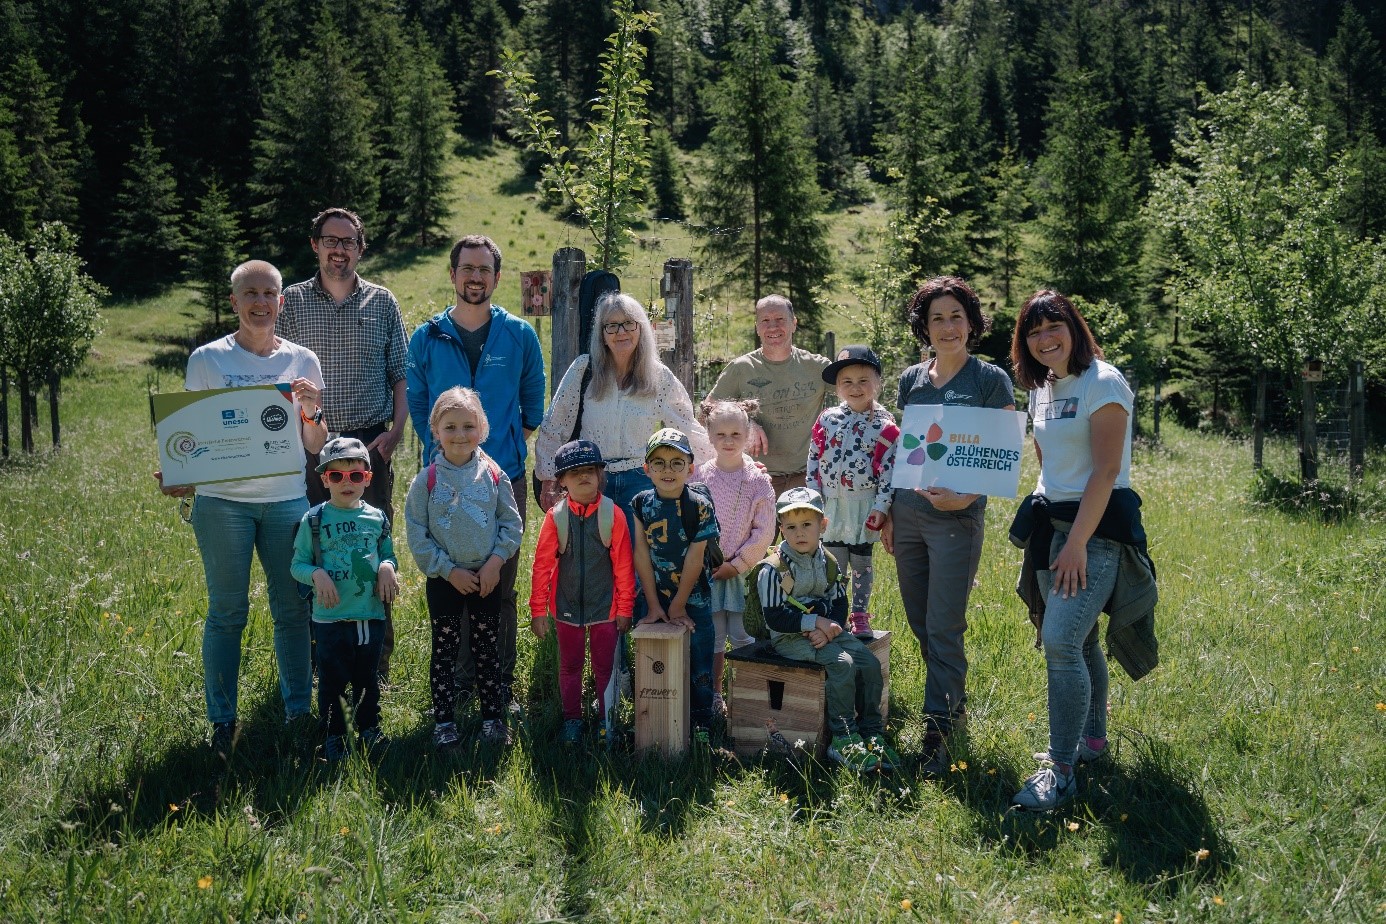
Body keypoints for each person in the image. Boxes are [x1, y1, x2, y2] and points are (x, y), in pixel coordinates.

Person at [155, 259, 328, 759]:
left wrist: (313, 409)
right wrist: (177, 475)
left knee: (293, 612)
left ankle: (298, 712)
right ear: (234, 302)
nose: (259, 302)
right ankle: (222, 721)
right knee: (227, 612)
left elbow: (315, 443)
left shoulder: (303, 361)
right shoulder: (207, 359)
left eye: (268, 293)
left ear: (280, 300)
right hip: (221, 505)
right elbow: (186, 438)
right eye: (248, 293)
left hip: (286, 502)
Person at [1008, 290, 1149, 812]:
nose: (1045, 339)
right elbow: (1048, 461)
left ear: (1073, 328)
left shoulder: (1103, 382)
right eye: (1034, 331)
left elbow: (1107, 471)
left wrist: (1078, 546)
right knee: (1081, 639)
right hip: (1053, 524)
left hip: (1098, 528)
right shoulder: (1041, 389)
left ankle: (1060, 768)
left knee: (1061, 639)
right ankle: (1092, 742)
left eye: (1054, 327)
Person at [880, 276, 1015, 776]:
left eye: (956, 315)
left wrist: (967, 496)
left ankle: (938, 731)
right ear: (924, 326)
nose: (947, 326)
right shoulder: (912, 379)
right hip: (909, 513)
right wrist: (893, 511)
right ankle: (951, 709)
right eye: (937, 317)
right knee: (920, 622)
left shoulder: (990, 380)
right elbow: (906, 451)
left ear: (971, 322)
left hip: (957, 518)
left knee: (944, 625)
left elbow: (1002, 456)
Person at [406, 234, 546, 710]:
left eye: (484, 269)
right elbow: (421, 405)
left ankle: (498, 684)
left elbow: (532, 409)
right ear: (452, 274)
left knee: (497, 587)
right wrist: (449, 460)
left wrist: (492, 454)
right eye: (467, 268)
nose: (475, 277)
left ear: (497, 277)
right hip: (442, 483)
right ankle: (457, 684)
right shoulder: (426, 337)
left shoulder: (520, 335)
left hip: (501, 477)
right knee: (451, 587)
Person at [278, 207, 409, 677]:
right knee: (317, 546)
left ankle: (377, 663)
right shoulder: (290, 302)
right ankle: (322, 660)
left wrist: (395, 432)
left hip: (370, 445)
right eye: (330, 240)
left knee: (374, 550)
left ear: (360, 248)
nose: (339, 249)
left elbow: (402, 373)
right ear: (315, 245)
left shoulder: (383, 302)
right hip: (313, 445)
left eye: (349, 241)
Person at [535, 293, 712, 537]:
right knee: (595, 563)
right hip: (591, 479)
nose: (621, 332)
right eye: (612, 325)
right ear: (601, 334)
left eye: (629, 323)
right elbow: (556, 424)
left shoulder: (658, 376)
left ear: (641, 329)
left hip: (641, 482)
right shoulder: (584, 369)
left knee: (637, 565)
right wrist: (547, 478)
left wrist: (731, 462)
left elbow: (686, 427)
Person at [404, 388, 524, 749]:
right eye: (450, 426)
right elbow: (417, 533)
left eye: (468, 426)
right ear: (435, 431)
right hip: (445, 581)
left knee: (488, 651)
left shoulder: (493, 475)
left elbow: (511, 524)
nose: (459, 435)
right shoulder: (426, 481)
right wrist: (445, 569)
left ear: (482, 429)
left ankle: (493, 720)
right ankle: (444, 723)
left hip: (487, 580)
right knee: (444, 652)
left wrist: (495, 564)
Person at [754, 487, 901, 773]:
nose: (799, 533)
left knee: (869, 662)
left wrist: (830, 628)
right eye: (791, 527)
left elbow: (839, 602)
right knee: (842, 664)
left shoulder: (829, 562)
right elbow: (775, 618)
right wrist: (814, 624)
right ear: (781, 529)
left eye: (807, 525)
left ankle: (872, 732)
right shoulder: (773, 569)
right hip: (788, 637)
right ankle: (843, 737)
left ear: (823, 525)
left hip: (826, 631)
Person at [289, 437, 399, 763]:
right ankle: (334, 735)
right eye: (336, 476)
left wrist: (386, 568)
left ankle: (368, 729)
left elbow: (389, 556)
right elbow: (297, 565)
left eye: (355, 476)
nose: (346, 483)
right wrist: (317, 575)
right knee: (332, 679)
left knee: (367, 676)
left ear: (368, 478)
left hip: (368, 614)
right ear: (324, 480)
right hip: (328, 618)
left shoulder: (377, 518)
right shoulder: (314, 520)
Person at [528, 440, 636, 746]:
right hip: (566, 608)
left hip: (606, 609)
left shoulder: (612, 515)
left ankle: (607, 722)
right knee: (570, 666)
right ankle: (572, 721)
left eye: (590, 470)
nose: (583, 476)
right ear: (561, 480)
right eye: (574, 472)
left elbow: (624, 566)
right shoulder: (556, 517)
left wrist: (625, 608)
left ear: (601, 474)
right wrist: (538, 611)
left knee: (605, 668)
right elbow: (542, 566)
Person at [630, 428, 720, 737]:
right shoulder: (641, 503)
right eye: (659, 462)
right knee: (658, 661)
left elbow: (696, 559)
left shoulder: (700, 505)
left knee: (700, 667)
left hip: (693, 599)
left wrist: (679, 604)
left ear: (690, 469)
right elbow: (641, 553)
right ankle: (660, 720)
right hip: (654, 595)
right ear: (647, 469)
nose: (668, 470)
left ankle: (701, 724)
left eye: (677, 463)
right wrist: (654, 604)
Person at [807, 345, 900, 639]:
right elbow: (813, 458)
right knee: (833, 563)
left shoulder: (885, 427)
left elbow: (889, 472)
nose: (856, 388)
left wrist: (882, 508)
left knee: (861, 561)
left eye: (864, 380)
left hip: (863, 506)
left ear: (878, 383)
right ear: (837, 387)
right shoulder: (827, 419)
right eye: (847, 382)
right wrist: (813, 499)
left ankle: (859, 614)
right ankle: (835, 611)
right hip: (830, 505)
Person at [694, 398, 777, 715]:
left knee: (742, 635)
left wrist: (739, 563)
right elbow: (689, 520)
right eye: (721, 435)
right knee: (714, 636)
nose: (728, 442)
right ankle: (715, 694)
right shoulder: (699, 476)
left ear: (748, 435)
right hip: (708, 573)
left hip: (741, 572)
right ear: (709, 435)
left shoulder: (758, 481)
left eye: (736, 435)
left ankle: (747, 694)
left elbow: (764, 531)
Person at [708, 294, 830, 494]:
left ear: (794, 323)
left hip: (808, 476)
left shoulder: (816, 366)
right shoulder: (741, 369)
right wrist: (746, 422)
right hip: (757, 477)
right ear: (757, 327)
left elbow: (855, 390)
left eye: (780, 319)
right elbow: (708, 411)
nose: (773, 327)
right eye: (765, 320)